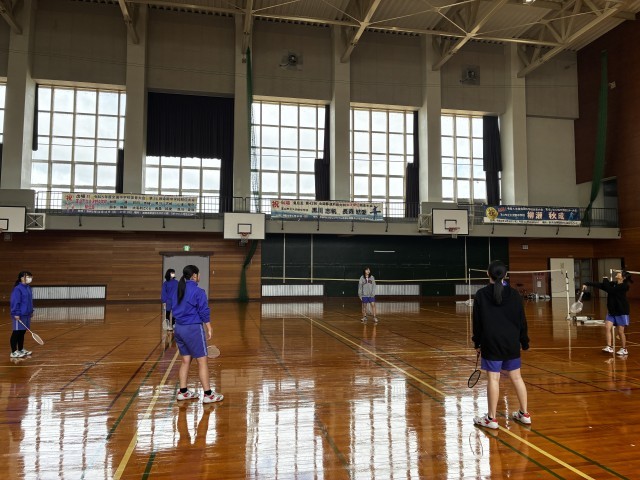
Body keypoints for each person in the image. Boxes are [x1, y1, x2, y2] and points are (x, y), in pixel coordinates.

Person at [472, 260, 530, 430]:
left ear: (487, 274)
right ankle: (524, 414)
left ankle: (491, 418)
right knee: (517, 377)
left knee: (493, 378)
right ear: (506, 275)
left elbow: (477, 322)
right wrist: (524, 341)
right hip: (511, 342)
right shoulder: (514, 295)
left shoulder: (481, 295)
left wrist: (477, 342)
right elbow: (522, 321)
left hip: (491, 342)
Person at [171, 265, 223, 404]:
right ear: (194, 275)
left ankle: (183, 392)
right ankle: (208, 395)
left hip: (179, 328)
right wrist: (209, 327)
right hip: (193, 329)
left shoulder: (178, 290)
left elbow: (173, 308)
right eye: (198, 274)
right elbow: (204, 311)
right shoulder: (199, 292)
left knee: (185, 360)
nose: (199, 276)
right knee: (202, 361)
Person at [584, 270, 633, 356]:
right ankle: (609, 347)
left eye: (620, 273)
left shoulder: (624, 286)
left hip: (621, 311)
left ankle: (624, 349)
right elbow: (601, 285)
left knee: (620, 332)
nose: (618, 273)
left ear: (623, 277)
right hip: (612, 311)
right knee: (607, 327)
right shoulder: (614, 284)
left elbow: (610, 290)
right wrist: (587, 283)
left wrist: (605, 280)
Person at [10, 271, 34, 359]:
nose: (29, 278)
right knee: (16, 332)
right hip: (19, 314)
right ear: (21, 278)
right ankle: (13, 352)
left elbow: (29, 301)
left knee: (22, 332)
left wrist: (31, 311)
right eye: (27, 276)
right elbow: (15, 301)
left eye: (30, 277)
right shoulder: (18, 289)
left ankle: (20, 349)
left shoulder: (28, 288)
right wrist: (16, 313)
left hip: (26, 314)